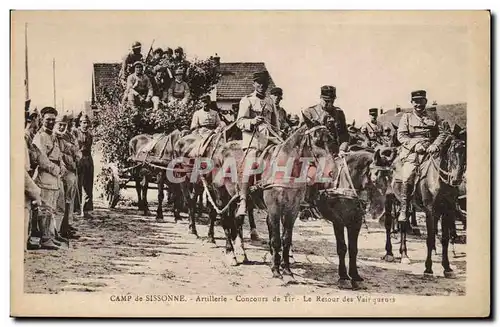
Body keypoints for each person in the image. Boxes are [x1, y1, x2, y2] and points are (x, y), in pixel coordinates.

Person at [396, 90, 448, 222]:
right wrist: (415, 145)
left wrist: (435, 145)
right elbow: (401, 136)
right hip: (413, 152)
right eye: (416, 101)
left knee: (447, 171)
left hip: (431, 151)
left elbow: (443, 132)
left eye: (421, 101)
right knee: (407, 175)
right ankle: (404, 208)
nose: (419, 104)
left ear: (426, 101)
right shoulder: (406, 117)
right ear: (412, 102)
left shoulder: (434, 116)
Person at [235, 70, 281, 218]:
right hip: (252, 141)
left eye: (265, 84)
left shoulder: (270, 102)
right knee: (250, 165)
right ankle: (242, 200)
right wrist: (252, 122)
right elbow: (240, 122)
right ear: (254, 84)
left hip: (269, 141)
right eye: (259, 83)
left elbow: (276, 125)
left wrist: (278, 138)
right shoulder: (246, 100)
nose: (262, 86)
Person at [32, 106, 66, 250]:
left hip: (55, 177)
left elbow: (58, 155)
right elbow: (42, 159)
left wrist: (62, 166)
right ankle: (45, 239)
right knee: (45, 208)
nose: (51, 122)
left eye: (53, 119)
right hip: (46, 175)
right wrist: (55, 169)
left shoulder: (53, 136)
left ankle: (50, 236)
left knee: (51, 208)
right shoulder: (40, 137)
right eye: (48, 119)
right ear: (42, 119)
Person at [302, 85, 349, 153]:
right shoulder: (310, 112)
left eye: (331, 101)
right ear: (321, 98)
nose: (329, 104)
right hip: (314, 153)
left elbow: (344, 134)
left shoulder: (339, 113)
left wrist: (342, 149)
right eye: (326, 101)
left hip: (334, 152)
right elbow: (301, 134)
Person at [57, 113, 81, 239]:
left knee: (68, 200)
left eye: (64, 125)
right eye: (60, 125)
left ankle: (66, 226)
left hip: (69, 172)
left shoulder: (66, 137)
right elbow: (59, 155)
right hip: (60, 173)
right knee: (60, 203)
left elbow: (75, 151)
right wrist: (70, 157)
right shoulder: (53, 137)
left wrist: (75, 155)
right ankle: (61, 229)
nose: (62, 127)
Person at [73, 113, 94, 219]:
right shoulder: (75, 133)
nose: (85, 125)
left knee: (88, 185)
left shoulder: (90, 135)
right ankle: (76, 209)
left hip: (88, 159)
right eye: (83, 123)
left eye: (87, 123)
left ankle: (86, 210)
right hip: (79, 160)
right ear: (80, 123)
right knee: (78, 185)